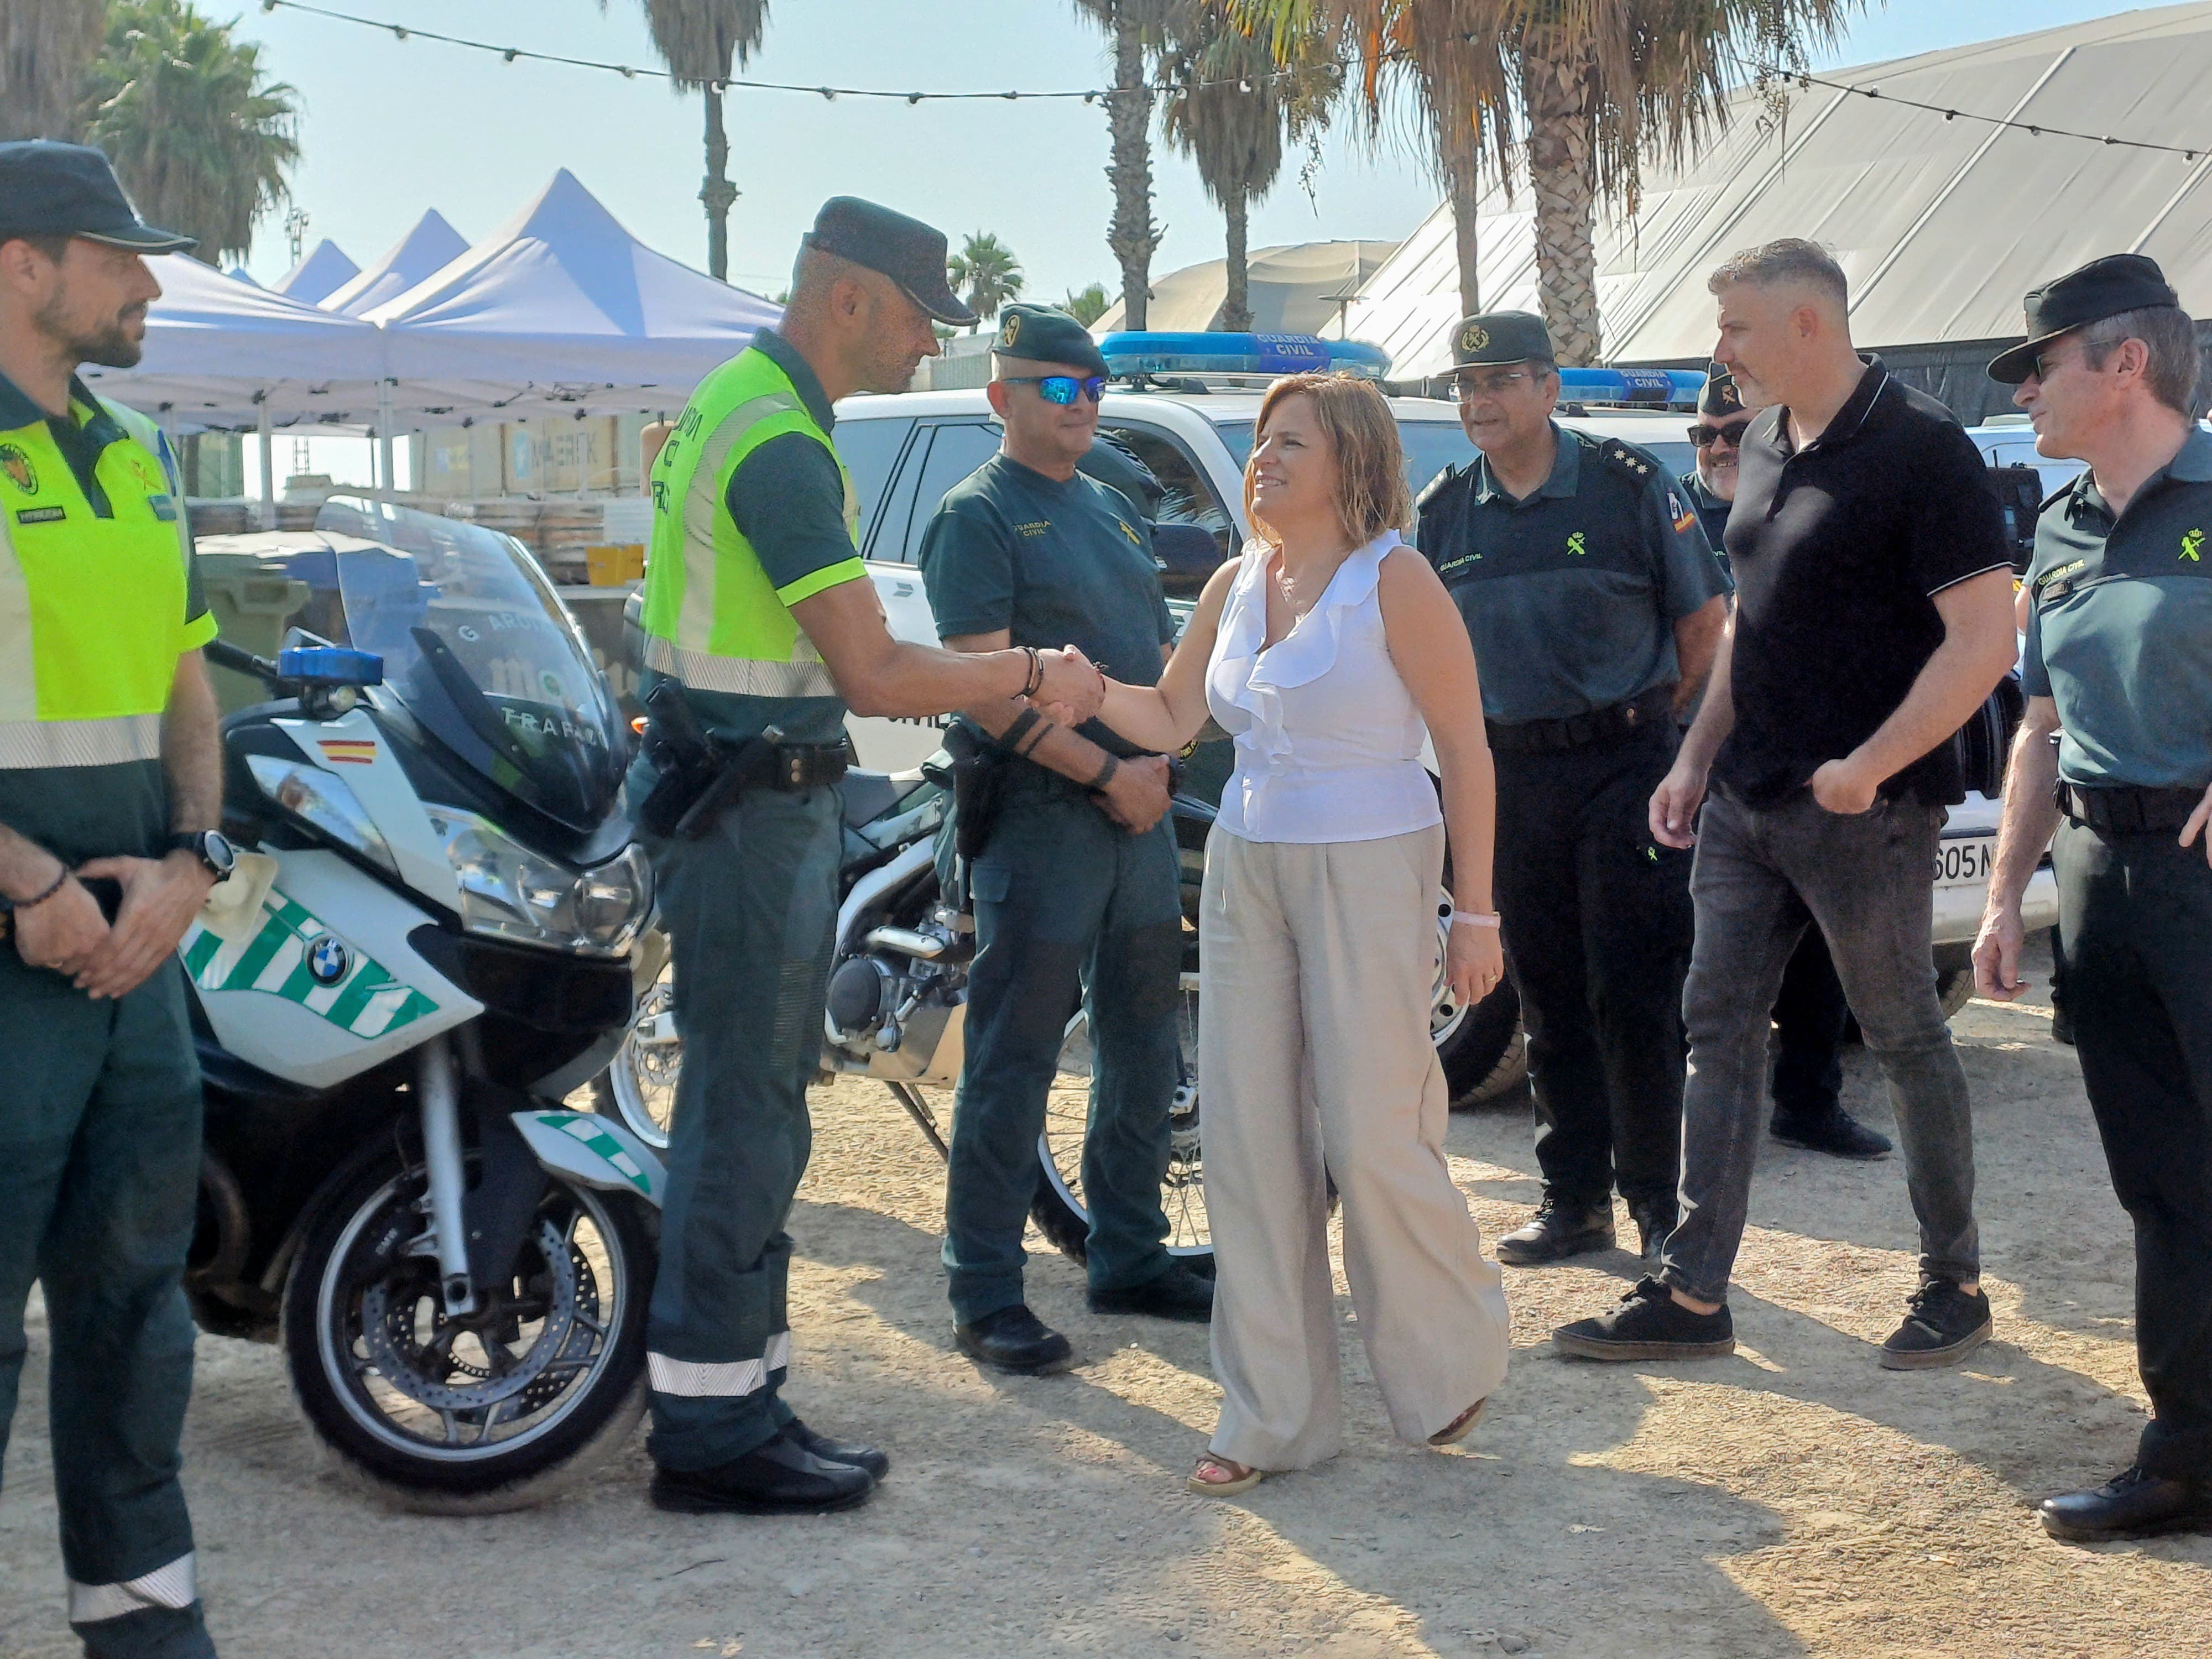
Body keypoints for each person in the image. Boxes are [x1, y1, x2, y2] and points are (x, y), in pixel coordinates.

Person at [631, 199, 1105, 1517]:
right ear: (846, 299)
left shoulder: (738, 400)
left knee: (754, 1106)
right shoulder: (779, 442)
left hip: (728, 798)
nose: (923, 343)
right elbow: (874, 670)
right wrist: (1025, 671)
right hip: (750, 810)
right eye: (913, 317)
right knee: (742, 1119)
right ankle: (713, 1432)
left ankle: (741, 1394)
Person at [1556, 238, 2018, 1369]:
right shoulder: (1760, 443)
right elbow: (1747, 630)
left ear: (1808, 325)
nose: (1719, 356)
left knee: (1904, 1033)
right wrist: (1690, 757)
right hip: (1744, 800)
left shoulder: (1923, 452)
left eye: (1736, 330)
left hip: (1869, 808)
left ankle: (1950, 1282)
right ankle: (1693, 1291)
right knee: (1715, 1030)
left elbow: (1982, 641)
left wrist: (1868, 763)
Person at [1081, 371, 1512, 1495]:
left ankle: (1444, 1361)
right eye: (1261, 444)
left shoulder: (1395, 580)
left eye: (1289, 445)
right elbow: (1172, 717)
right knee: (1245, 1136)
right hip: (1245, 861)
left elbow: (1464, 753)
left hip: (1373, 857)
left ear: (1351, 462)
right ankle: (1270, 1415)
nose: (1263, 461)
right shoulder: (1234, 580)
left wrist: (1475, 912)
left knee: (1371, 1132)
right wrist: (1059, 684)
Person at [0, 140, 236, 1659]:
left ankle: (145, 1628)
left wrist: (194, 860)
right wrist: (20, 879)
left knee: (138, 1315)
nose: (148, 282)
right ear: (22, 264)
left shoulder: (141, 453)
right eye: (118, 254)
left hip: (135, 963)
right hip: (17, 960)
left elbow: (184, 679)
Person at [917, 304, 1213, 1375]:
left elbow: (1151, 653)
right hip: (1041, 819)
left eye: (1090, 387)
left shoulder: (1116, 501)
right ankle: (984, 1290)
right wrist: (1106, 774)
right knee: (1015, 1054)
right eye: (1055, 387)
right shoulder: (976, 515)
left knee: (1142, 1044)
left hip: (1136, 811)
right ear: (1002, 397)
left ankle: (1127, 1254)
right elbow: (984, 687)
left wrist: (1163, 755)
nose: (1080, 402)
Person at [1975, 254, 2212, 1541]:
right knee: (2161, 1184)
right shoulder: (2058, 526)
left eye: (2039, 363)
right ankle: (2184, 1455)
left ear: (2122, 363)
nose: (2021, 390)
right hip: (2104, 880)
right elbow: (2038, 728)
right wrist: (2009, 895)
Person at [1416, 311, 1731, 1267]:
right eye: (1467, 387)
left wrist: (1659, 744)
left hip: (1625, 768)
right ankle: (1574, 1198)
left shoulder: (1629, 486)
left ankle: (1653, 1203)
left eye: (1501, 382)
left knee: (1634, 991)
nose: (1480, 403)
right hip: (1509, 774)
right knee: (1545, 987)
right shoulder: (1443, 512)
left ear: (1550, 388)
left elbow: (1703, 629)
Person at [1679, 367, 1890, 1162]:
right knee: (1714, 962)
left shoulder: (1805, 496)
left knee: (1819, 950)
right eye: (1704, 435)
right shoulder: (1677, 514)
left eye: (1733, 431)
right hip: (1710, 760)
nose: (1717, 448)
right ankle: (1708, 1127)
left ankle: (1808, 1100)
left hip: (1811, 758)